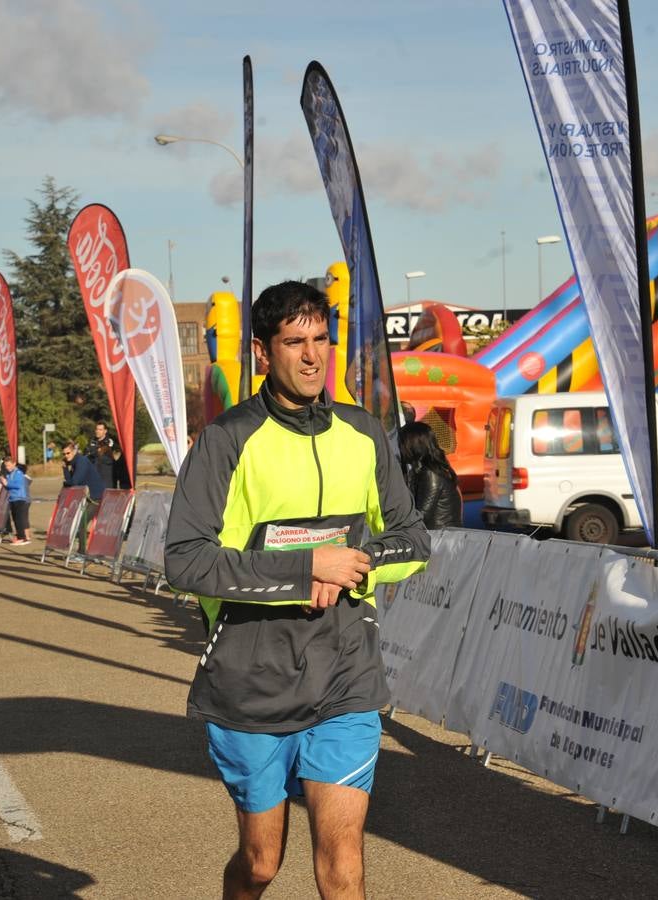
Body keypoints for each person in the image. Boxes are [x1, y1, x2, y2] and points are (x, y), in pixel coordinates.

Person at [164, 280, 430, 899]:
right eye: (294, 343)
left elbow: (414, 541)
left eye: (320, 340)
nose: (312, 357)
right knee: (261, 863)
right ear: (262, 351)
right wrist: (305, 570)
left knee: (343, 865)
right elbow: (186, 560)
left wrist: (354, 563)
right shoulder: (226, 440)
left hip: (345, 675)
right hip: (252, 681)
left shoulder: (363, 433)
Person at [398, 421, 463, 530]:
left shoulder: (431, 474)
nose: (400, 449)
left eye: (402, 444)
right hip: (437, 534)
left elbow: (421, 515)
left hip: (440, 536)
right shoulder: (422, 470)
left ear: (413, 445)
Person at [62, 441, 106, 552]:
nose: (66, 456)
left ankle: (82, 552)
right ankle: (86, 551)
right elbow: (70, 480)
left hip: (96, 498)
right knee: (81, 524)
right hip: (89, 497)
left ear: (74, 451)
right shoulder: (74, 462)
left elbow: (75, 482)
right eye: (64, 454)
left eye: (68, 453)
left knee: (82, 524)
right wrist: (65, 469)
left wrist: (66, 483)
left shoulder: (81, 461)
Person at [2, 456, 32, 545]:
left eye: (9, 465)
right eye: (6, 466)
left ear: (14, 464)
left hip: (20, 498)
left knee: (19, 519)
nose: (7, 467)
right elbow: (8, 486)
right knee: (15, 519)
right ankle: (20, 537)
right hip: (12, 499)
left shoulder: (18, 473)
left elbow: (18, 485)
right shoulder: (9, 474)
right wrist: (3, 482)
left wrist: (7, 483)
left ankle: (23, 538)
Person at [85, 421, 122, 489]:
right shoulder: (92, 442)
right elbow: (87, 455)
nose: (97, 431)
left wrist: (95, 453)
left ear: (105, 431)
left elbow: (115, 456)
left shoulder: (110, 442)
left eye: (100, 430)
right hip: (94, 477)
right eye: (97, 429)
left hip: (108, 479)